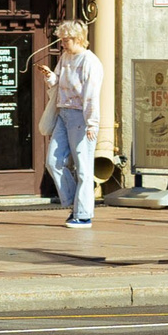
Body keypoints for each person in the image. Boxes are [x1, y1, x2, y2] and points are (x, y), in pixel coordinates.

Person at [46, 19, 102, 229]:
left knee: (83, 167)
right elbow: (58, 80)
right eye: (61, 39)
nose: (62, 43)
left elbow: (91, 95)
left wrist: (92, 123)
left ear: (78, 38)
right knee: (53, 161)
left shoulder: (90, 61)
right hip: (64, 112)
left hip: (81, 115)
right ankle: (74, 203)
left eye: (65, 39)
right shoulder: (66, 57)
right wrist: (50, 77)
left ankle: (84, 213)